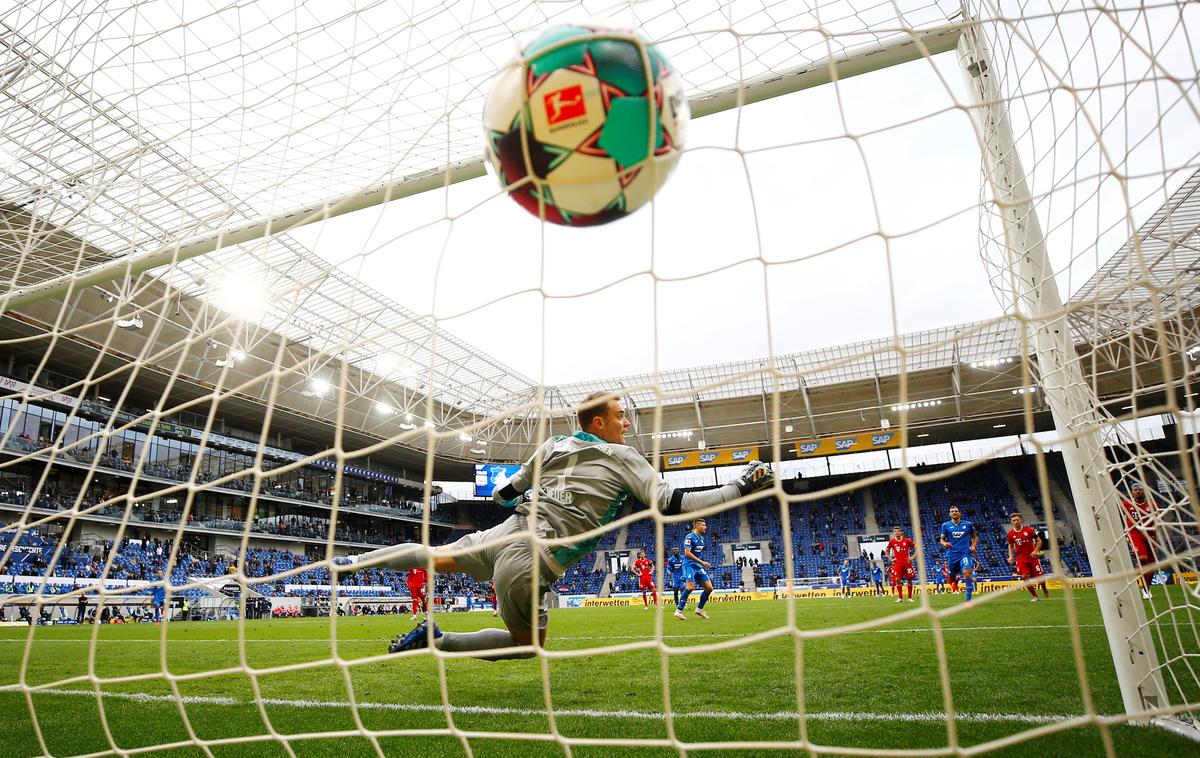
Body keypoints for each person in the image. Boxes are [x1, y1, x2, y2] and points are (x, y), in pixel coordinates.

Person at [336, 391, 773, 658]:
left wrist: (532, 495)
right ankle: (438, 639)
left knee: (434, 556)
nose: (627, 422)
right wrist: (739, 488)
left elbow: (501, 495)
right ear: (598, 422)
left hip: (503, 533)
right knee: (528, 645)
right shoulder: (623, 458)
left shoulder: (550, 446)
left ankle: (351, 561)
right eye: (620, 416)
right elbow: (675, 503)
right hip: (533, 561)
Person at [676, 518, 720, 620]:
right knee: (690, 587)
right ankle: (678, 611)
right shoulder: (689, 537)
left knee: (709, 588)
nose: (706, 527)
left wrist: (701, 563)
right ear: (697, 526)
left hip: (697, 566)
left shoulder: (702, 539)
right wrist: (702, 562)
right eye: (703, 525)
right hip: (688, 565)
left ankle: (699, 609)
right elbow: (687, 553)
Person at [1121, 484, 1158, 600]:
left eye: (1140, 489)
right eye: (1135, 490)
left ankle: (1146, 589)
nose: (1138, 491)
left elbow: (1158, 520)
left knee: (1151, 565)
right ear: (1132, 492)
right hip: (1134, 534)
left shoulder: (1152, 504)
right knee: (1142, 558)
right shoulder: (1126, 503)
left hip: (1150, 535)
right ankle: (1137, 563)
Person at [1006, 513, 1050, 601]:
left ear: (1020, 520)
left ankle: (1044, 588)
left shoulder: (1029, 530)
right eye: (1014, 520)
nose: (1016, 522)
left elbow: (1039, 541)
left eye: (1017, 520)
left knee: (1040, 577)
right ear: (1011, 522)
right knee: (1024, 577)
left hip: (1033, 558)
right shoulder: (1011, 534)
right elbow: (1010, 545)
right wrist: (1011, 556)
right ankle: (1034, 596)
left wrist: (1035, 551)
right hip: (1021, 559)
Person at [940, 506, 978, 604]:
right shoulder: (945, 525)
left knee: (966, 573)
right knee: (952, 576)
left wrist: (973, 546)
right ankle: (954, 585)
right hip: (952, 555)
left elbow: (974, 537)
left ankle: (968, 600)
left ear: (959, 513)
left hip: (965, 553)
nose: (954, 513)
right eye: (952, 511)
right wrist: (945, 543)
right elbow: (942, 539)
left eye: (956, 511)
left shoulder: (968, 524)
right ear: (949, 514)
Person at [886, 527, 916, 603]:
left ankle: (909, 598)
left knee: (909, 580)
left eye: (898, 531)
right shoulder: (892, 542)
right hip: (898, 563)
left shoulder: (907, 540)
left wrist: (913, 557)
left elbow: (917, 547)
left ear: (901, 532)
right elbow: (887, 550)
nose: (896, 532)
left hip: (907, 563)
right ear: (894, 533)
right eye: (895, 531)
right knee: (897, 580)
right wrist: (890, 558)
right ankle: (900, 598)